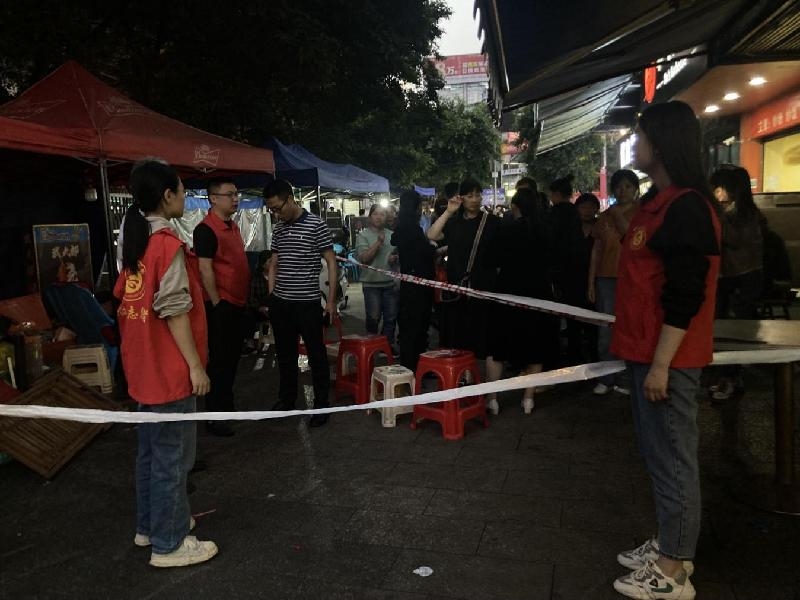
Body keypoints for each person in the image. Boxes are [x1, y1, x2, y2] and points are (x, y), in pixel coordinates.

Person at [610, 101, 720, 600]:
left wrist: (661, 365)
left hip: (668, 359)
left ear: (663, 142)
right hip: (645, 351)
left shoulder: (687, 207)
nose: (634, 144)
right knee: (659, 455)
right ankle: (669, 543)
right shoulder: (660, 202)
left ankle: (674, 570)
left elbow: (686, 293)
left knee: (675, 459)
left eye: (640, 136)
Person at [115, 160, 217, 568]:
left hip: (142, 363)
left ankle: (151, 526)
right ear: (167, 196)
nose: (183, 196)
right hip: (167, 367)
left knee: (151, 453)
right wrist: (195, 366)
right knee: (173, 458)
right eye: (181, 190)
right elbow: (174, 310)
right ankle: (169, 543)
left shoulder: (134, 241)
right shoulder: (165, 245)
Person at [265, 179, 336, 427]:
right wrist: (272, 296)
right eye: (271, 210)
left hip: (307, 303)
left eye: (278, 208)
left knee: (316, 355)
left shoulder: (317, 224)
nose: (276, 214)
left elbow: (331, 262)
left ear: (290, 199)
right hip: (281, 304)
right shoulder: (278, 229)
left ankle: (321, 404)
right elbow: (274, 263)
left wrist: (330, 302)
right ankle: (287, 399)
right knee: (285, 355)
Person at [427, 178, 502, 403]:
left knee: (490, 344)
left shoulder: (493, 222)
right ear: (461, 198)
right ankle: (468, 387)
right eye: (470, 195)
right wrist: (449, 211)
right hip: (458, 293)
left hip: (485, 291)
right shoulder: (454, 223)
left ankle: (492, 397)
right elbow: (431, 235)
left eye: (478, 194)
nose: (475, 199)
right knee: (462, 343)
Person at [486, 188, 558, 413]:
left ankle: (492, 399)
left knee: (498, 348)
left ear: (515, 207)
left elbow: (494, 260)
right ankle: (528, 399)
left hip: (508, 292)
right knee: (536, 347)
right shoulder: (546, 231)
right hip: (538, 294)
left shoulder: (506, 230)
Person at [192, 177, 249, 437]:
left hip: (237, 303)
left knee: (232, 359)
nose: (235, 199)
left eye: (236, 194)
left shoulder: (232, 226)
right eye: (230, 195)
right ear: (213, 199)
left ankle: (227, 406)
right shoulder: (206, 230)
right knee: (219, 362)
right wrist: (217, 303)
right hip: (220, 306)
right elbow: (205, 269)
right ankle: (215, 416)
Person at [708, 165, 764, 400]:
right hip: (730, 277)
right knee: (724, 329)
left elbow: (734, 240)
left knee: (732, 330)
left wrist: (718, 217)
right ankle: (730, 377)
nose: (716, 193)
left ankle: (729, 379)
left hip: (742, 278)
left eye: (720, 188)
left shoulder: (746, 216)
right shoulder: (734, 212)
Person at [587, 169, 640, 395]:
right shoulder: (605, 217)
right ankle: (606, 377)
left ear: (635, 189)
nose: (623, 190)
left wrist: (619, 215)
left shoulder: (642, 214)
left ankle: (625, 378)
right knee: (605, 331)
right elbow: (596, 251)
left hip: (633, 279)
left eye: (628, 186)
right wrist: (591, 282)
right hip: (606, 279)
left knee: (629, 328)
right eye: (619, 186)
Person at [391, 190, 435, 371]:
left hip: (409, 284)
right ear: (416, 207)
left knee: (410, 328)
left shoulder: (401, 226)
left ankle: (413, 367)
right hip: (418, 287)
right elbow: (424, 253)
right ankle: (414, 368)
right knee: (416, 328)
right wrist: (434, 248)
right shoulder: (413, 229)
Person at [355, 204, 398, 348]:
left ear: (386, 218)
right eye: (375, 214)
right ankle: (372, 347)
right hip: (371, 284)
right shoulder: (363, 235)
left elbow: (398, 255)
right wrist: (378, 242)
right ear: (369, 217)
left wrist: (395, 258)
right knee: (373, 318)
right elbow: (364, 258)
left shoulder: (392, 235)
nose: (379, 217)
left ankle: (387, 347)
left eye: (382, 214)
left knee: (391, 319)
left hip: (390, 284)